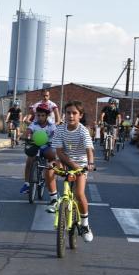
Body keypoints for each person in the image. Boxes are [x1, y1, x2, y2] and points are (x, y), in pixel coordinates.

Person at [51, 100, 94, 242]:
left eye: (74, 113)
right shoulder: (60, 130)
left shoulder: (83, 130)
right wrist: (65, 164)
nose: (70, 116)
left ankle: (85, 225)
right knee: (49, 169)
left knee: (79, 193)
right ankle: (54, 199)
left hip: (81, 165)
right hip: (65, 161)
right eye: (68, 113)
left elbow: (89, 150)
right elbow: (59, 152)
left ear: (80, 115)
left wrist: (90, 164)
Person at [20, 104, 58, 204]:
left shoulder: (51, 125)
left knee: (51, 156)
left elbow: (56, 134)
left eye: (43, 115)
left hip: (46, 146)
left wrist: (57, 139)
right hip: (35, 145)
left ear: (46, 116)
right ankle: (27, 184)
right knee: (29, 160)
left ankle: (50, 176)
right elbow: (28, 131)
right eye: (39, 115)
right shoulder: (34, 124)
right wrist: (27, 135)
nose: (40, 117)